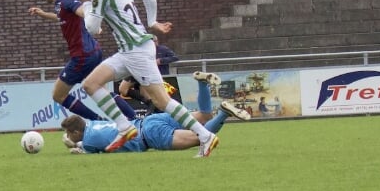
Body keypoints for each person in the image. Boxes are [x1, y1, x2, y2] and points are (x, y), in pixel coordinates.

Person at [78, 0, 218, 157]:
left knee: (162, 100)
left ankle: (205, 136)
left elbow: (91, 28)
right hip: (131, 50)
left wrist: (88, 6)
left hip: (135, 51)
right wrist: (151, 22)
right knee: (90, 84)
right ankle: (125, 128)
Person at [28, 0, 135, 122]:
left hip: (82, 55)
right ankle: (133, 118)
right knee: (99, 89)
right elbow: (64, 17)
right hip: (92, 51)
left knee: (58, 95)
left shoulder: (65, 0)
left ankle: (98, 121)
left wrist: (93, 23)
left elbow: (82, 11)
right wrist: (43, 14)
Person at [62, 72, 251, 154]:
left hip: (150, 135)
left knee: (201, 137)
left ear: (77, 133)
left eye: (70, 133)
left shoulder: (88, 141)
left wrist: (74, 145)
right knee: (203, 116)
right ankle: (202, 84)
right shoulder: (94, 123)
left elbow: (84, 148)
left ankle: (224, 114)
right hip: (150, 120)